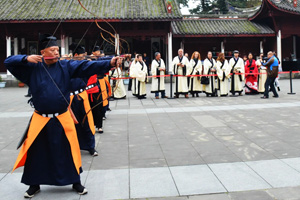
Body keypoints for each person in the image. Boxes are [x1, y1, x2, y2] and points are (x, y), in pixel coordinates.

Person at [4, 34, 120, 198]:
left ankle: (76, 182)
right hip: (41, 118)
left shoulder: (66, 66)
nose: (56, 53)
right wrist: (26, 58)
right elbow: (8, 62)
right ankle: (34, 184)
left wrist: (109, 63)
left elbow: (87, 67)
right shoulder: (32, 69)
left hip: (62, 116)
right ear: (43, 52)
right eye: (52, 50)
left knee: (69, 150)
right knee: (37, 153)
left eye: (57, 50)